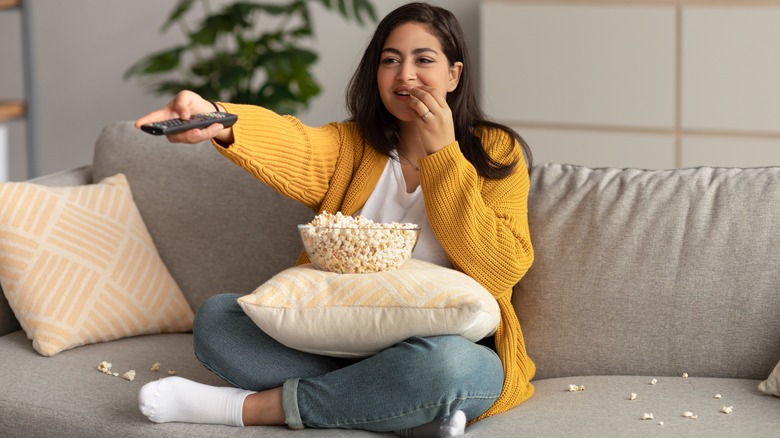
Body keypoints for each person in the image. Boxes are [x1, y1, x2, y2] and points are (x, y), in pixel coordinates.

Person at [134, 2, 535, 437]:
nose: (405, 75)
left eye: (423, 60)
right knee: (219, 320)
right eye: (390, 60)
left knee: (452, 367)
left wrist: (443, 154)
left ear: (453, 75)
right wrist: (218, 117)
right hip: (336, 346)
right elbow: (293, 142)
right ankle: (396, 410)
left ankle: (250, 408)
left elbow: (502, 267)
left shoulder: (495, 151)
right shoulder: (351, 146)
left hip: (442, 351)